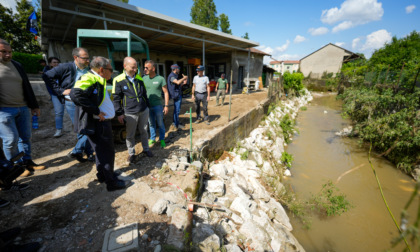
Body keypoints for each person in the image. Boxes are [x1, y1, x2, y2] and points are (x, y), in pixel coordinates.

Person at [71, 56, 131, 191]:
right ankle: (111, 183)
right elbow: (76, 95)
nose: (112, 73)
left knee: (100, 151)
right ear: (102, 70)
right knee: (107, 152)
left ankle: (103, 175)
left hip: (100, 122)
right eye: (111, 70)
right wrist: (96, 111)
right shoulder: (90, 78)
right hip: (99, 123)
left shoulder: (98, 79)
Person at [0, 39, 45, 177]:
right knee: (10, 139)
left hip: (23, 107)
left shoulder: (17, 65)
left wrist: (34, 106)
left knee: (26, 137)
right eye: (3, 52)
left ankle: (27, 162)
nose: (8, 55)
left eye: (9, 52)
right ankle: (15, 167)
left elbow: (27, 86)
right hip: (4, 111)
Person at [43, 47, 94, 162]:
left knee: (86, 127)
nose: (87, 60)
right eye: (85, 58)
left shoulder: (88, 69)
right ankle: (84, 152)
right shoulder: (65, 67)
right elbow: (46, 76)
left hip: (86, 102)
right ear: (76, 57)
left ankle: (80, 151)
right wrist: (61, 91)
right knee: (82, 129)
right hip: (72, 104)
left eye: (88, 58)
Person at [112, 57, 152, 164]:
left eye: (136, 67)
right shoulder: (118, 80)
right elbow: (116, 99)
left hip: (143, 110)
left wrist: (147, 106)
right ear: (125, 66)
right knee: (130, 134)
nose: (135, 69)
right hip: (130, 112)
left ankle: (146, 149)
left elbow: (144, 95)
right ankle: (131, 153)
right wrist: (119, 113)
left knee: (144, 131)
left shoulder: (139, 78)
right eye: (133, 67)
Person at [143, 60, 169, 149]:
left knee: (160, 123)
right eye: (144, 67)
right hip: (148, 106)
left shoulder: (160, 79)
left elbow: (166, 92)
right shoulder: (144, 78)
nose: (145, 69)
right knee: (151, 123)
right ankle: (153, 138)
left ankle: (162, 139)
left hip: (158, 105)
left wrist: (166, 106)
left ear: (153, 69)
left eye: (147, 67)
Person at [42, 57, 64, 137]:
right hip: (56, 95)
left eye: (57, 62)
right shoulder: (48, 74)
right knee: (58, 112)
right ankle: (59, 130)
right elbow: (49, 87)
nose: (56, 64)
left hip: (66, 94)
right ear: (50, 64)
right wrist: (54, 94)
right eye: (54, 62)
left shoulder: (63, 72)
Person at [167, 64, 188, 130]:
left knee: (176, 110)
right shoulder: (172, 76)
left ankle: (175, 122)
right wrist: (184, 78)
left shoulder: (174, 76)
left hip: (177, 94)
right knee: (177, 111)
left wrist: (183, 83)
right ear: (175, 69)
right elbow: (177, 82)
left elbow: (177, 85)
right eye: (178, 69)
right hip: (176, 95)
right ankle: (177, 125)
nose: (179, 70)